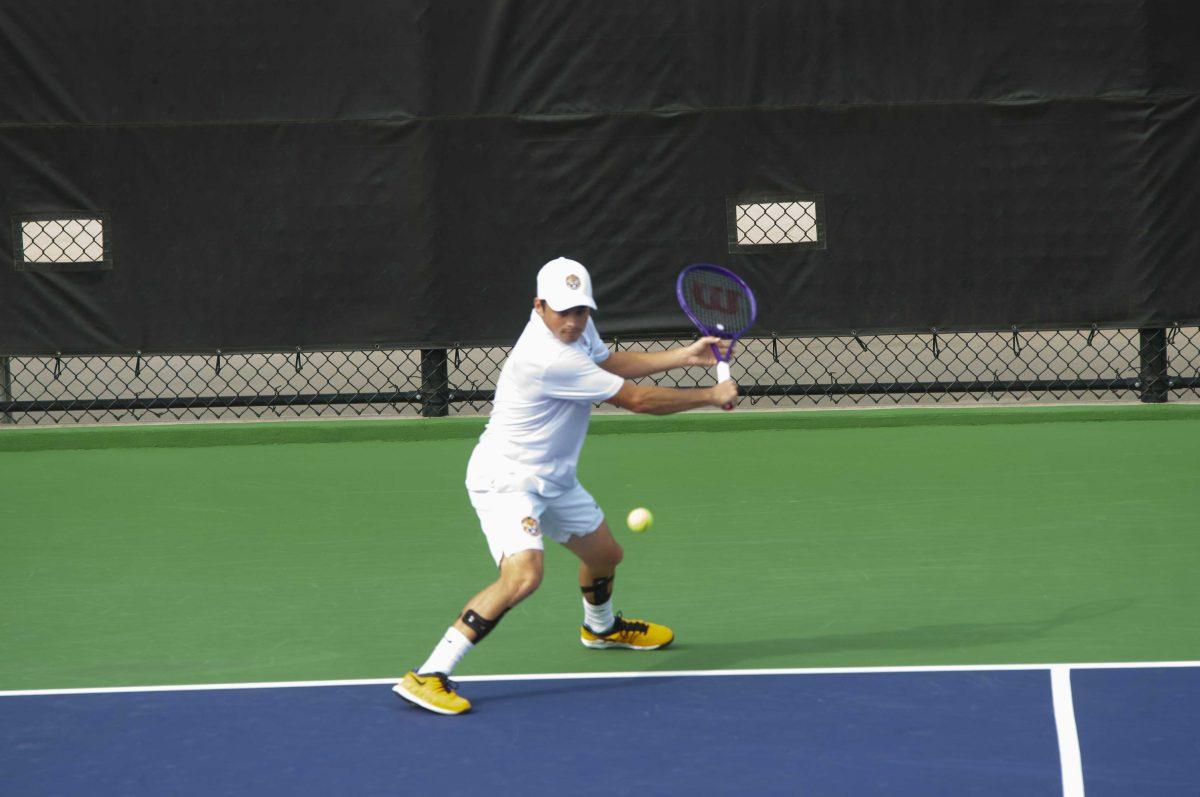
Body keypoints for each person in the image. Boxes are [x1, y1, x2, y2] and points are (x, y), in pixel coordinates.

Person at [394, 257, 738, 715]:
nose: (574, 322)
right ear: (539, 306)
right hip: (507, 479)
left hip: (554, 477)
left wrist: (683, 355)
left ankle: (600, 628)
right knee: (524, 576)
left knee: (604, 556)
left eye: (582, 311)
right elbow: (634, 399)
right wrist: (711, 396)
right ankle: (430, 673)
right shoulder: (547, 356)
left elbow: (609, 361)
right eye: (564, 312)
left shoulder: (574, 332)